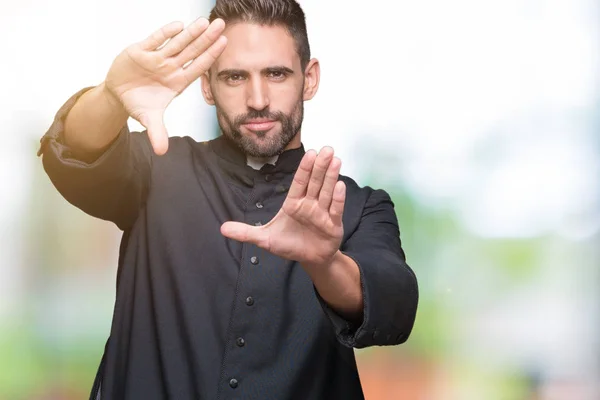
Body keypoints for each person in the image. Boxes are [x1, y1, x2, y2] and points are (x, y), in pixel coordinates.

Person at [38, 0, 418, 399]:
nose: (257, 99)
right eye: (235, 77)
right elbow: (76, 153)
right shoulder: (156, 168)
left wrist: (325, 263)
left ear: (309, 79)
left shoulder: (359, 206)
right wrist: (111, 98)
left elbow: (394, 305)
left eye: (276, 73)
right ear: (207, 85)